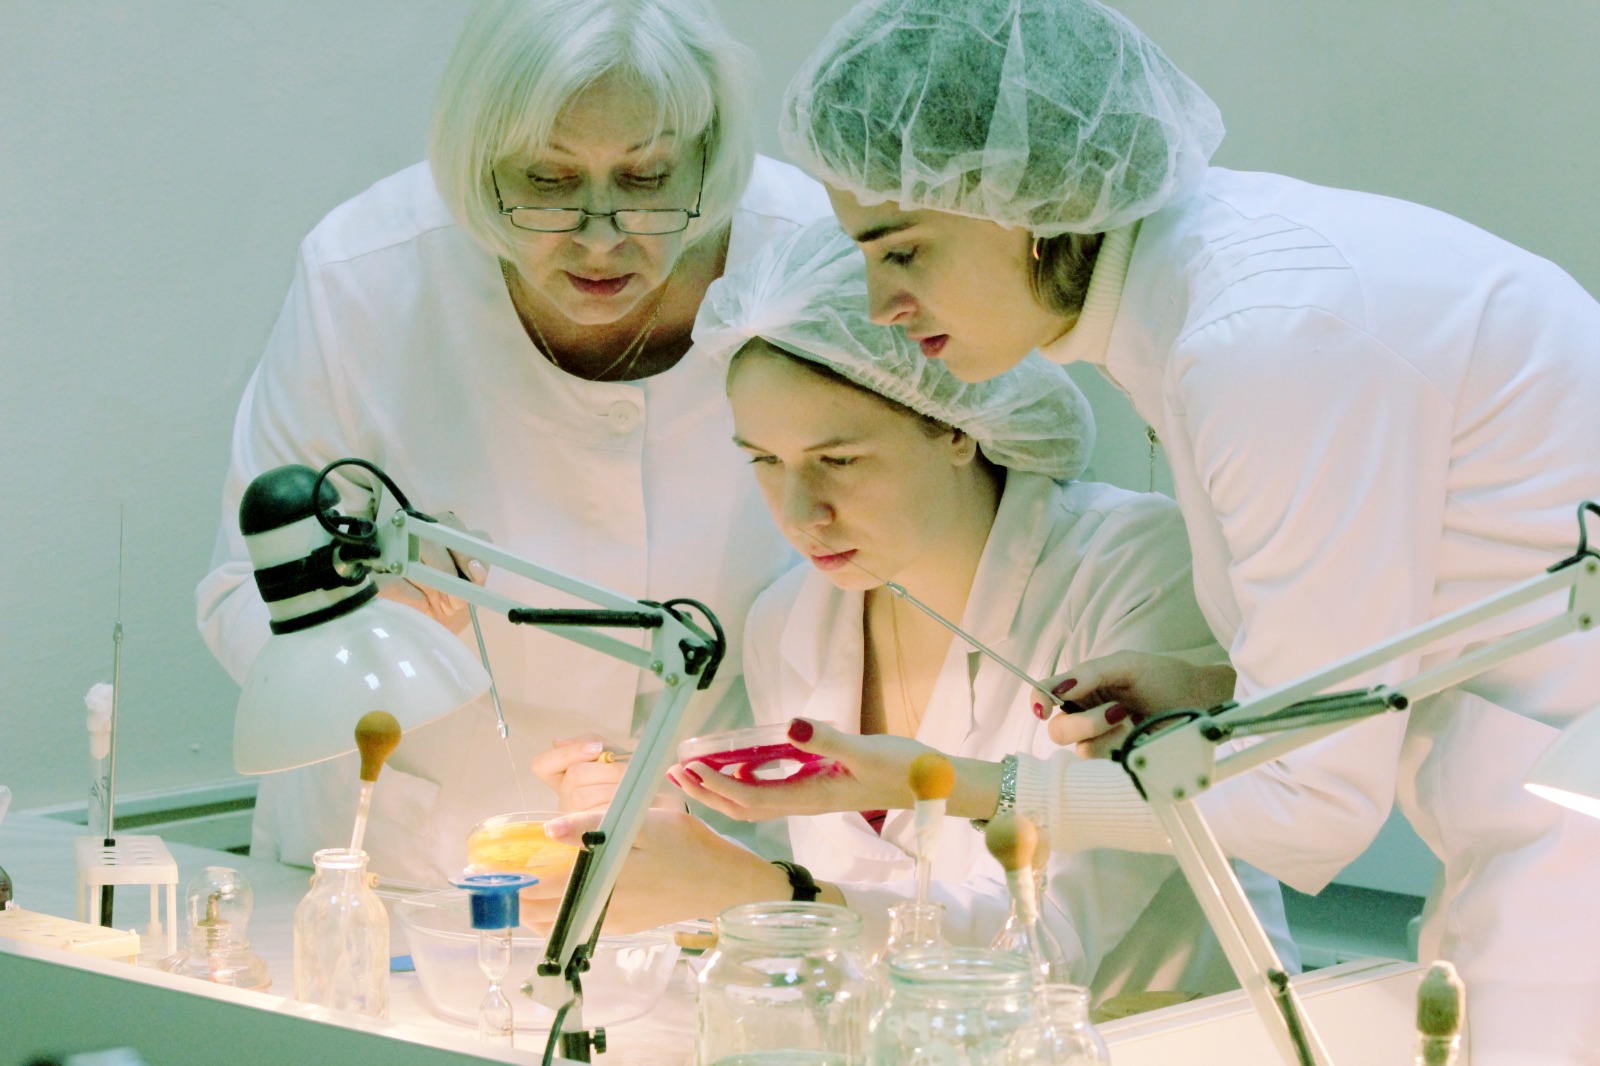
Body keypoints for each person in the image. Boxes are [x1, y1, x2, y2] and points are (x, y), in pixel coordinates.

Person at [692, 1, 1600, 1059]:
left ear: (1022, 198)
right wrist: (1213, 686)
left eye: (902, 252)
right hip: (1526, 810)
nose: (882, 304)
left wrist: (952, 781)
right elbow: (1433, 614)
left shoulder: (1262, 338)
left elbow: (1307, 808)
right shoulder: (1216, 304)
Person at [529, 219, 1295, 997]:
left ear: (956, 425)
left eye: (838, 459)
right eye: (765, 461)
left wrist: (755, 894)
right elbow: (831, 921)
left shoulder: (1137, 565)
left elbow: (1043, 949)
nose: (800, 513)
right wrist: (672, 830)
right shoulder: (789, 620)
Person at [194, 0, 829, 883]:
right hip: (406, 855)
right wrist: (370, 616)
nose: (600, 238)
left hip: (706, 854)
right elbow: (241, 595)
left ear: (708, 155)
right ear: (479, 159)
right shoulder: (366, 275)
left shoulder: (808, 260)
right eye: (548, 180)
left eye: (646, 178)